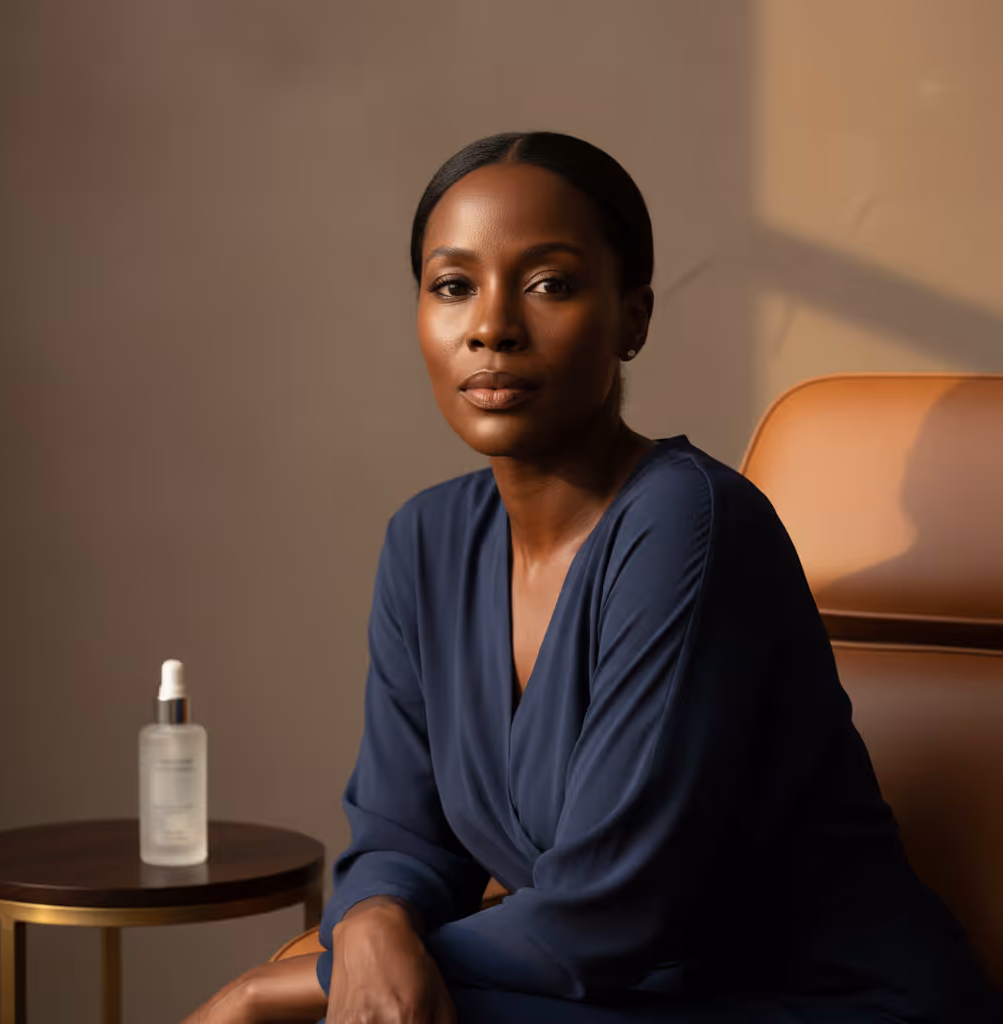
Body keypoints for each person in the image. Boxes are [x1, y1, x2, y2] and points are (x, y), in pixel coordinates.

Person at [182, 132, 998, 1024]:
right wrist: (375, 921)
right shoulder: (426, 540)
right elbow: (403, 839)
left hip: (816, 1003)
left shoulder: (691, 523)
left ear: (634, 317)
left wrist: (289, 985)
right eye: (453, 286)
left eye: (549, 284)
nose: (491, 326)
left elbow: (611, 914)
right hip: (615, 995)